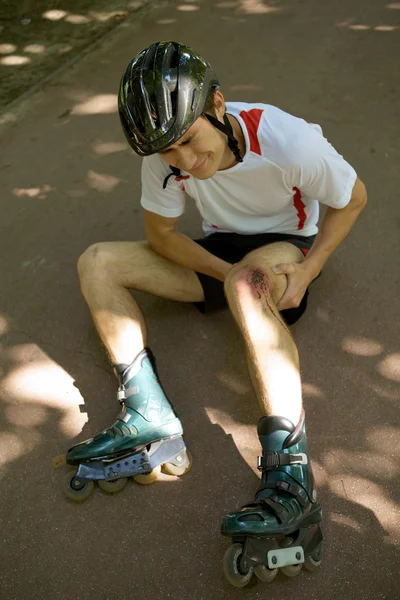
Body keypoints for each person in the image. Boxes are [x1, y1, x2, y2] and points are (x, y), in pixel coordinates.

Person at [63, 41, 367, 584]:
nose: (183, 162)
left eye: (187, 141)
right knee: (97, 261)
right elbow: (161, 236)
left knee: (250, 286)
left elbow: (354, 197)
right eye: (168, 154)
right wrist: (221, 272)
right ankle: (147, 416)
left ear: (218, 105)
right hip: (220, 247)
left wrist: (311, 267)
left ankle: (292, 475)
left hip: (284, 244)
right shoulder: (161, 154)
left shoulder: (287, 140)